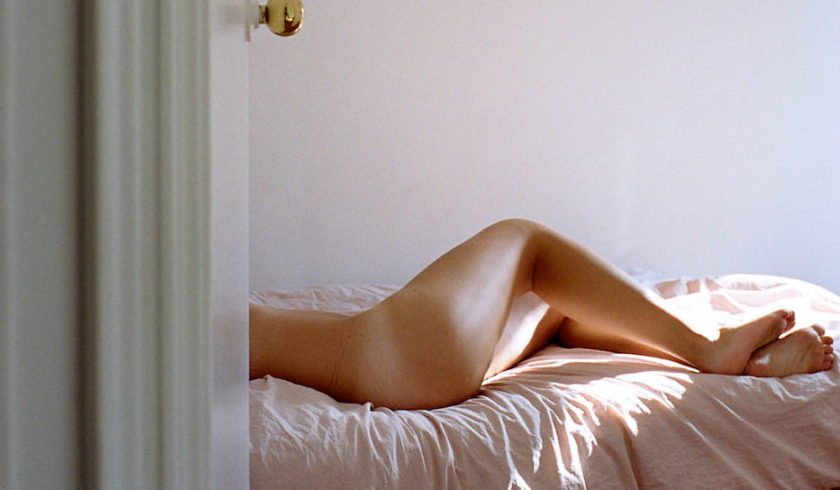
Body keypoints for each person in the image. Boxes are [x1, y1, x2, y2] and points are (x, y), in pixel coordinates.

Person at [249, 218, 835, 410]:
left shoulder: (204, 329)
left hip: (407, 364)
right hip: (397, 352)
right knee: (524, 240)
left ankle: (739, 359)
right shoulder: (196, 324)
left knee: (553, 305)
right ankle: (706, 345)